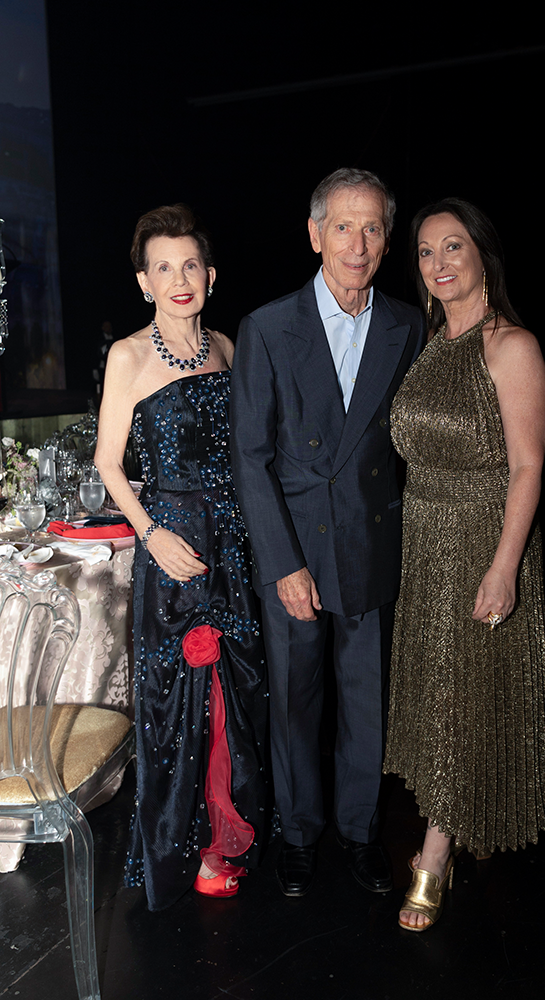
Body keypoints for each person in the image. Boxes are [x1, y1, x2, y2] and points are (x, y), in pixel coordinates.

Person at [231, 168, 425, 897]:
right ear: (315, 235)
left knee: (365, 702)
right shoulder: (269, 326)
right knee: (296, 701)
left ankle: (359, 829)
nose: (358, 241)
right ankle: (300, 833)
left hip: (372, 542)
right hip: (296, 549)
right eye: (343, 225)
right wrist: (283, 562)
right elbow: (251, 456)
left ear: (387, 238)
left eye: (373, 226)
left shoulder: (408, 325)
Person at [383, 198, 545, 931]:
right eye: (425, 251)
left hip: (485, 536)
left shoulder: (510, 345)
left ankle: (434, 856)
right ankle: (464, 816)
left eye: (453, 247)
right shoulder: (427, 343)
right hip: (425, 541)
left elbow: (527, 466)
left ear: (483, 255)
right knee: (442, 691)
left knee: (459, 692)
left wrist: (504, 565)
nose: (439, 263)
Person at [95, 204, 267, 911]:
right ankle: (181, 846)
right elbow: (108, 464)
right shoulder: (128, 356)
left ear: (211, 273)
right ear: (144, 282)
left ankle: (225, 836)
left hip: (232, 546)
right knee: (179, 708)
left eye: (189, 264)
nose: (179, 279)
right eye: (162, 268)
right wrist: (150, 535)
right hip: (172, 548)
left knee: (236, 697)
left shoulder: (227, 346)